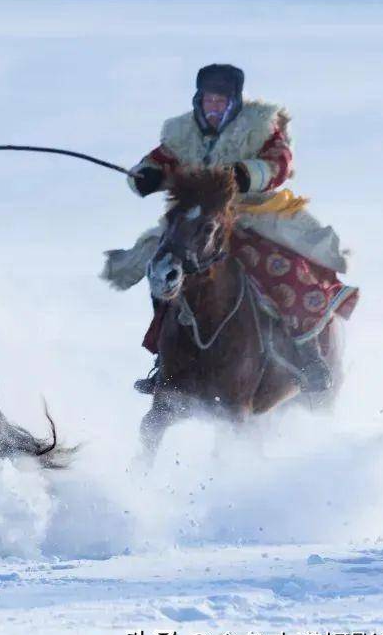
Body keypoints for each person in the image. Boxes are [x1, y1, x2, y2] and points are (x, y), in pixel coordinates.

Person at [103, 64, 358, 394]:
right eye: (208, 100)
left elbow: (280, 163)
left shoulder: (260, 126)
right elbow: (157, 161)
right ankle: (164, 361)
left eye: (220, 102)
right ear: (199, 100)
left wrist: (245, 174)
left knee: (279, 269)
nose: (213, 108)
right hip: (197, 222)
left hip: (252, 215)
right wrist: (146, 175)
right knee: (161, 266)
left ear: (234, 103)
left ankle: (308, 353)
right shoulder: (182, 133)